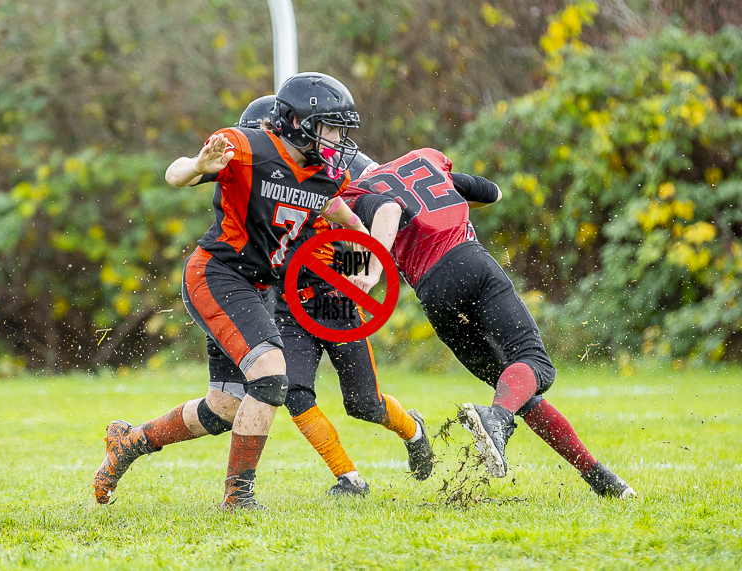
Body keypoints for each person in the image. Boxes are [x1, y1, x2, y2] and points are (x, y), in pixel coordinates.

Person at [93, 73, 369, 510]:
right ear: (297, 122)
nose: (338, 138)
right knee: (272, 375)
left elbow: (345, 222)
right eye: (330, 127)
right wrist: (198, 167)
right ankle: (238, 497)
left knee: (223, 407)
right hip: (217, 273)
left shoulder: (322, 176)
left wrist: (364, 265)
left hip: (255, 288)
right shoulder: (246, 147)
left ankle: (129, 442)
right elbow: (174, 172)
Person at [342, 148, 636, 499]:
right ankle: (496, 420)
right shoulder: (423, 160)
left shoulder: (354, 193)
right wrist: (446, 192)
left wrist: (368, 266)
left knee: (514, 390)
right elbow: (492, 192)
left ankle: (600, 478)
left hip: (434, 294)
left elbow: (373, 225)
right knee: (535, 365)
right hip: (470, 262)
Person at [272, 148, 433, 496]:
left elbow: (355, 223)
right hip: (287, 306)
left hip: (334, 301)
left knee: (364, 404)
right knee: (295, 392)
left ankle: (413, 430)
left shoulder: (318, 179)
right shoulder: (255, 187)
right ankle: (349, 478)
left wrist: (360, 274)